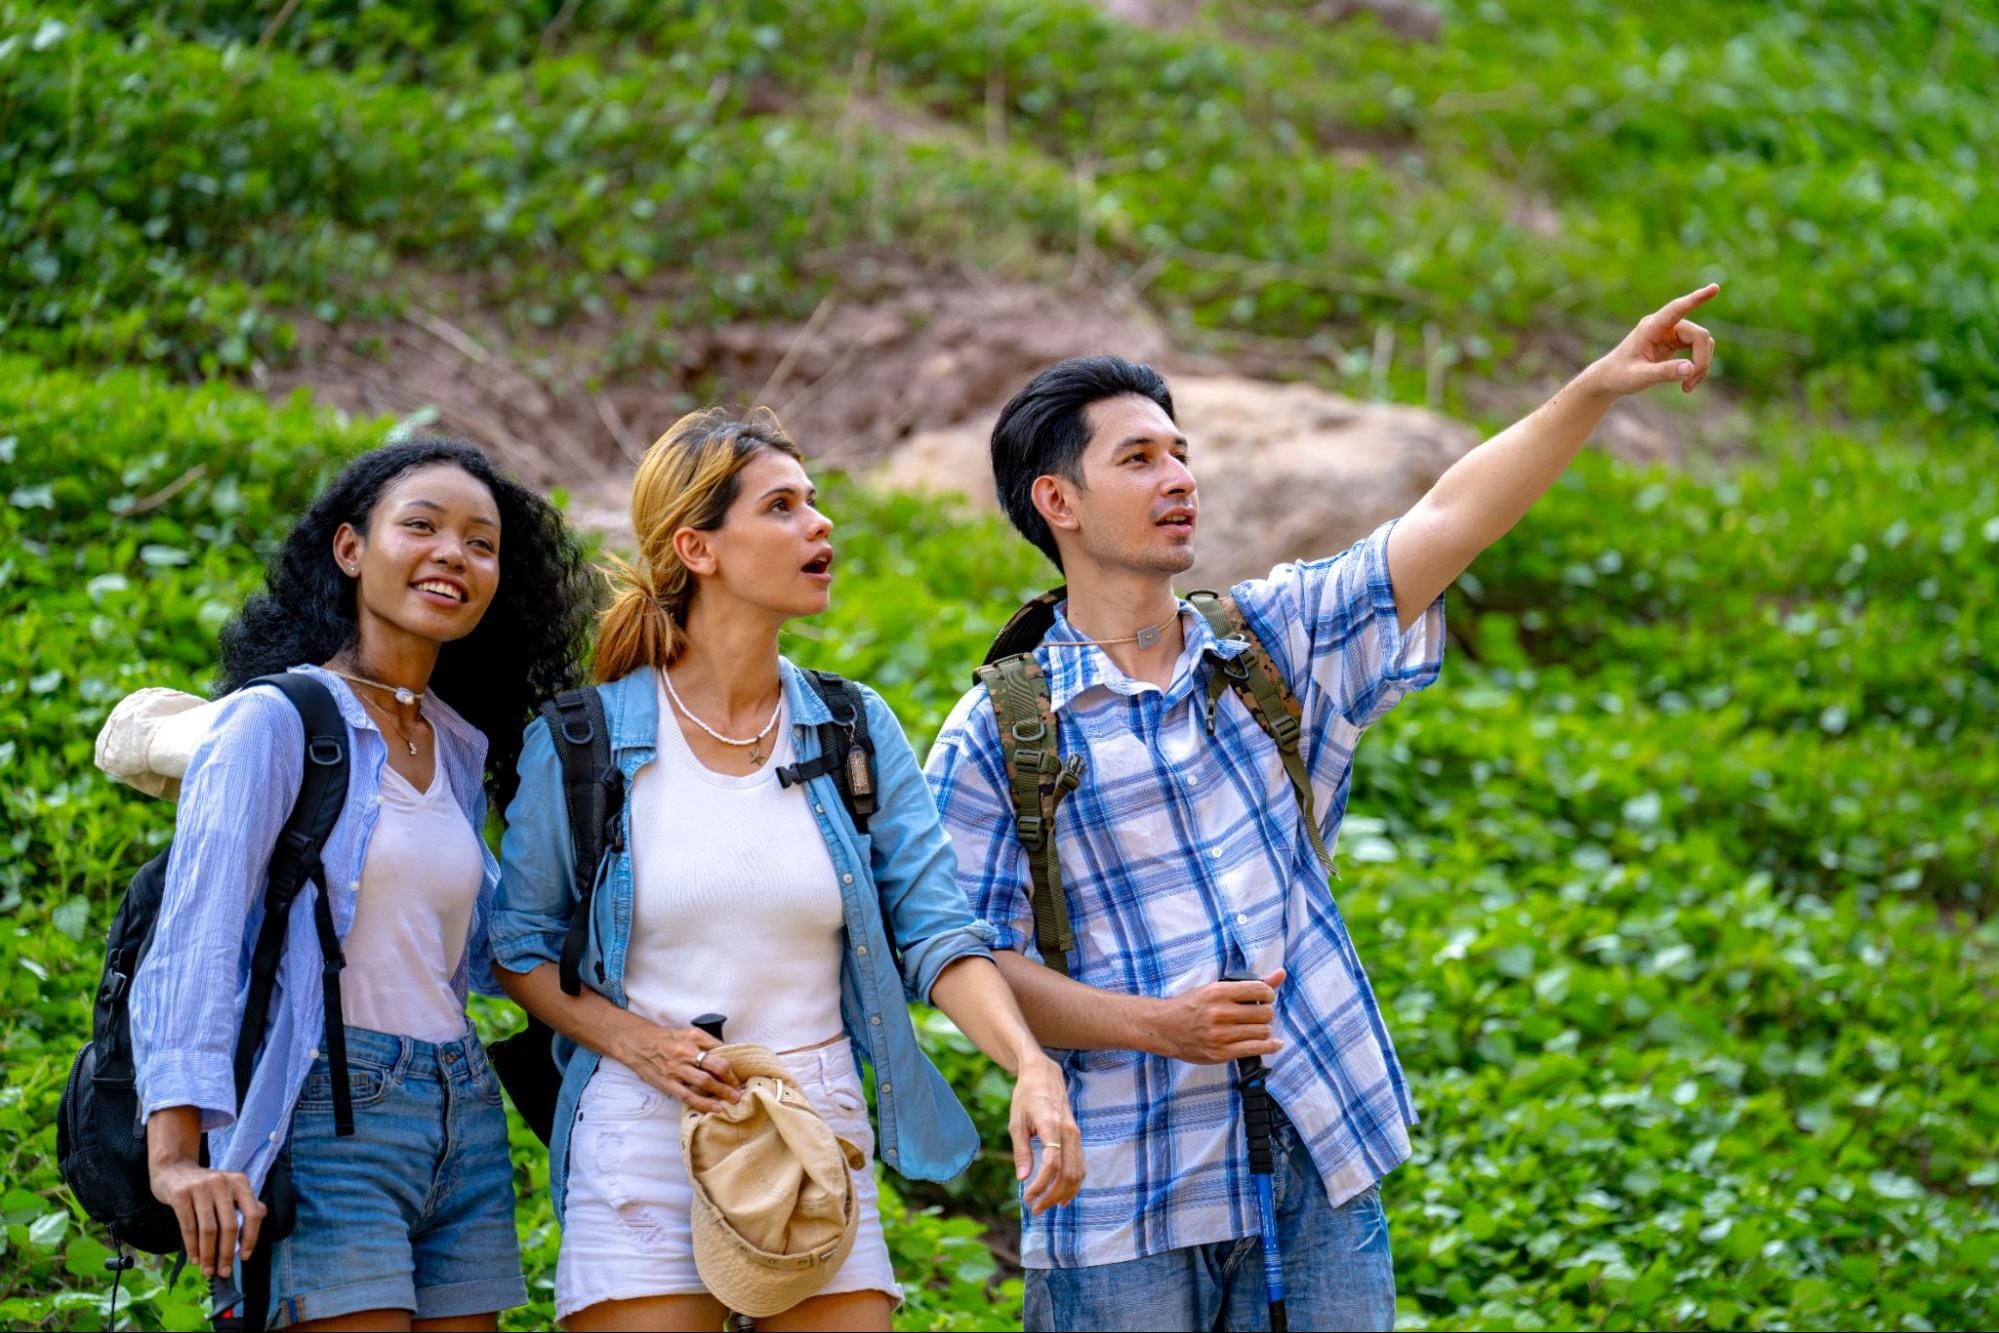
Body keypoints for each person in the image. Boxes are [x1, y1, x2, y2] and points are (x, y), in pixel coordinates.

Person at [925, 288, 1720, 1331]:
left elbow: (1445, 517)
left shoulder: (1271, 644)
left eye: (1180, 451)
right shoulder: (997, 731)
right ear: (1057, 503)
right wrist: (1159, 1027)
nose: (1179, 478)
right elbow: (961, 960)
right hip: (1119, 1193)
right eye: (1137, 459)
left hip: (1317, 1151)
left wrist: (1595, 387)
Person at [491, 406, 1084, 1332]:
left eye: (814, 501)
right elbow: (516, 948)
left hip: (818, 1120)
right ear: (699, 547)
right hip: (645, 1122)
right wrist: (633, 1041)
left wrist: (1028, 1063)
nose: (821, 524)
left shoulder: (852, 727)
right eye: (782, 507)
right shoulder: (581, 739)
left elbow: (935, 933)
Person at [127, 437, 595, 1330]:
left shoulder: (457, 744)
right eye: (420, 526)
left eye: (480, 542)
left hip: (463, 1116)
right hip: (331, 1102)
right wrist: (177, 1156)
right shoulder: (272, 721)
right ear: (351, 550)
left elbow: (495, 948)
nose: (452, 553)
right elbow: (196, 934)